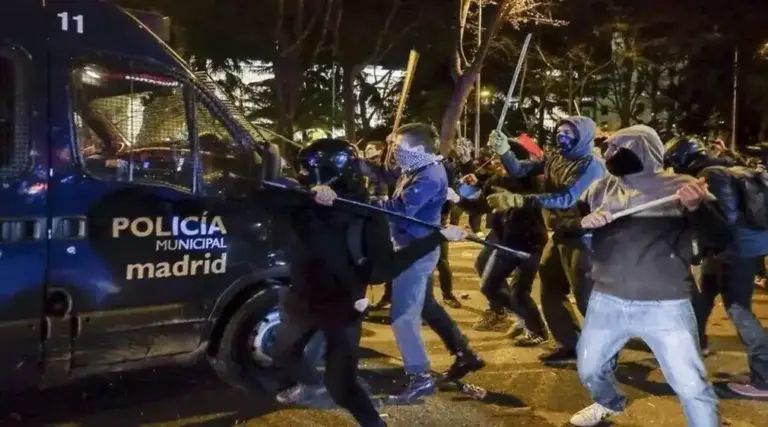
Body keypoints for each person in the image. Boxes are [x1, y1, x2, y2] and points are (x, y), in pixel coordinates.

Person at [259, 138, 469, 427]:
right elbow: (267, 198)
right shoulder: (301, 203)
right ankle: (306, 383)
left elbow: (382, 271)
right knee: (281, 352)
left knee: (341, 386)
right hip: (300, 301)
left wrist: (438, 237)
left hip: (344, 306)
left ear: (331, 170)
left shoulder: (367, 214)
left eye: (309, 171)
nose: (303, 175)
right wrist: (308, 193)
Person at [560, 125, 720, 427]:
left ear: (641, 150)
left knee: (690, 385)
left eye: (614, 148)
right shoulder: (600, 189)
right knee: (590, 369)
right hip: (606, 299)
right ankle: (609, 403)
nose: (606, 154)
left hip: (666, 304)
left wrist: (697, 209)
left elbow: (720, 238)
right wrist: (582, 222)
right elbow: (563, 229)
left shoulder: (682, 187)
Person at [360, 123, 484, 403]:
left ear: (417, 149)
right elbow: (384, 172)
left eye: (400, 147)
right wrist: (361, 162)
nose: (396, 153)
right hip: (415, 246)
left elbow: (401, 210)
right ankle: (465, 352)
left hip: (416, 251)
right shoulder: (417, 167)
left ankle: (420, 377)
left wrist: (365, 202)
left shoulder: (429, 176)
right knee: (426, 304)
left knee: (403, 317)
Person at [486, 116, 605, 364]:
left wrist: (521, 200)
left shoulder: (591, 165)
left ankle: (605, 351)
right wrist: (504, 151)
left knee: (587, 298)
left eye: (568, 134)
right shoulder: (555, 159)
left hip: (586, 236)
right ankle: (570, 344)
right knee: (550, 288)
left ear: (583, 136)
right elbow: (520, 169)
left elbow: (567, 197)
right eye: (559, 133)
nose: (562, 138)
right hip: (561, 232)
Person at [664, 136, 768, 399]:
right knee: (702, 299)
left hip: (736, 251)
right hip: (741, 247)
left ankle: (764, 378)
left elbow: (722, 222)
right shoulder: (725, 166)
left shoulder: (709, 175)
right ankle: (693, 350)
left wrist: (693, 208)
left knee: (738, 308)